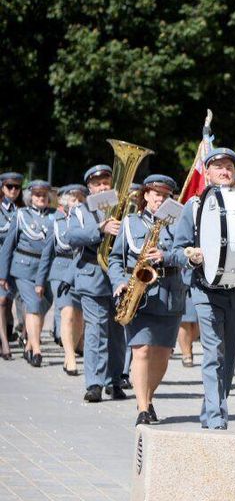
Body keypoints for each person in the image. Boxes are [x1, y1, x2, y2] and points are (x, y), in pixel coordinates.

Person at [172, 148, 235, 429]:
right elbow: (176, 249)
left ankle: (210, 412)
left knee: (228, 360)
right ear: (206, 173)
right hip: (205, 290)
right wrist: (190, 254)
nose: (224, 170)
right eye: (218, 166)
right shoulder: (194, 206)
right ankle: (218, 417)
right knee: (213, 354)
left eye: (229, 166)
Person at [107, 175, 186, 426]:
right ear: (146, 195)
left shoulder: (179, 224)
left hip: (170, 292)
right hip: (139, 294)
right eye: (155, 193)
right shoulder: (131, 223)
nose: (159, 198)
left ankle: (148, 397)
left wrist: (168, 255)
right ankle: (142, 408)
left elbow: (189, 255)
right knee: (141, 351)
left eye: (164, 195)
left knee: (162, 357)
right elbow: (116, 260)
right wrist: (119, 281)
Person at [68, 164, 128, 402]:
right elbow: (72, 236)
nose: (103, 187)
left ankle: (115, 380)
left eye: (106, 182)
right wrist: (101, 229)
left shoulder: (122, 207)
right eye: (98, 184)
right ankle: (94, 383)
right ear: (90, 188)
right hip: (93, 275)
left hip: (118, 276)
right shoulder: (80, 211)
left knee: (117, 332)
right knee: (95, 331)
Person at [0, 180, 56, 366]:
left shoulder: (56, 216)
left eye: (43, 195)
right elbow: (8, 246)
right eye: (37, 195)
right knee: (33, 304)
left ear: (48, 196)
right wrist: (2, 274)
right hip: (23, 266)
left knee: (44, 304)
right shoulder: (21, 215)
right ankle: (36, 349)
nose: (41, 198)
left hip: (46, 267)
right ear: (31, 196)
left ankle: (28, 345)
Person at [37, 184, 87, 375]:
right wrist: (40, 281)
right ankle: (70, 357)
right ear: (64, 202)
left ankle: (73, 348)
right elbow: (46, 253)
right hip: (60, 269)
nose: (76, 204)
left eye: (80, 200)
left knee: (79, 317)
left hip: (81, 268)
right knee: (67, 313)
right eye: (73, 200)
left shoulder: (87, 220)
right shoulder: (55, 222)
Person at [0, 171, 24, 359]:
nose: (14, 190)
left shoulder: (23, 210)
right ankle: (4, 343)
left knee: (9, 300)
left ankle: (11, 329)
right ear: (2, 187)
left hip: (17, 261)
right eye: (10, 186)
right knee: (1, 301)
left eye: (17, 187)